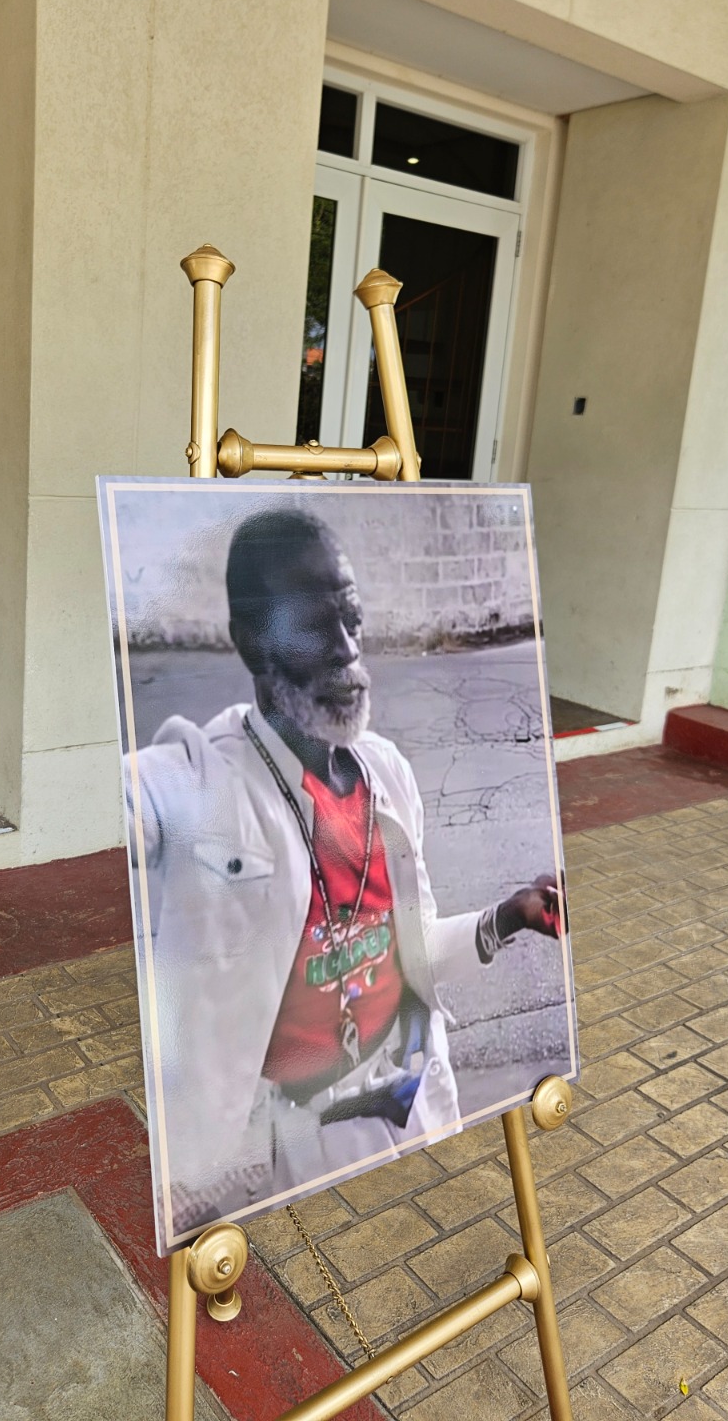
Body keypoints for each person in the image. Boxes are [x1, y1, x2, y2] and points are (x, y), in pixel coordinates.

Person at [125, 506, 563, 1234]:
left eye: (351, 618)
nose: (346, 649)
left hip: (415, 1103)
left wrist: (508, 916)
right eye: (312, 624)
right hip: (304, 1148)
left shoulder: (386, 772)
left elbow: (413, 949)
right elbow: (141, 797)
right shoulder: (209, 780)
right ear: (251, 641)